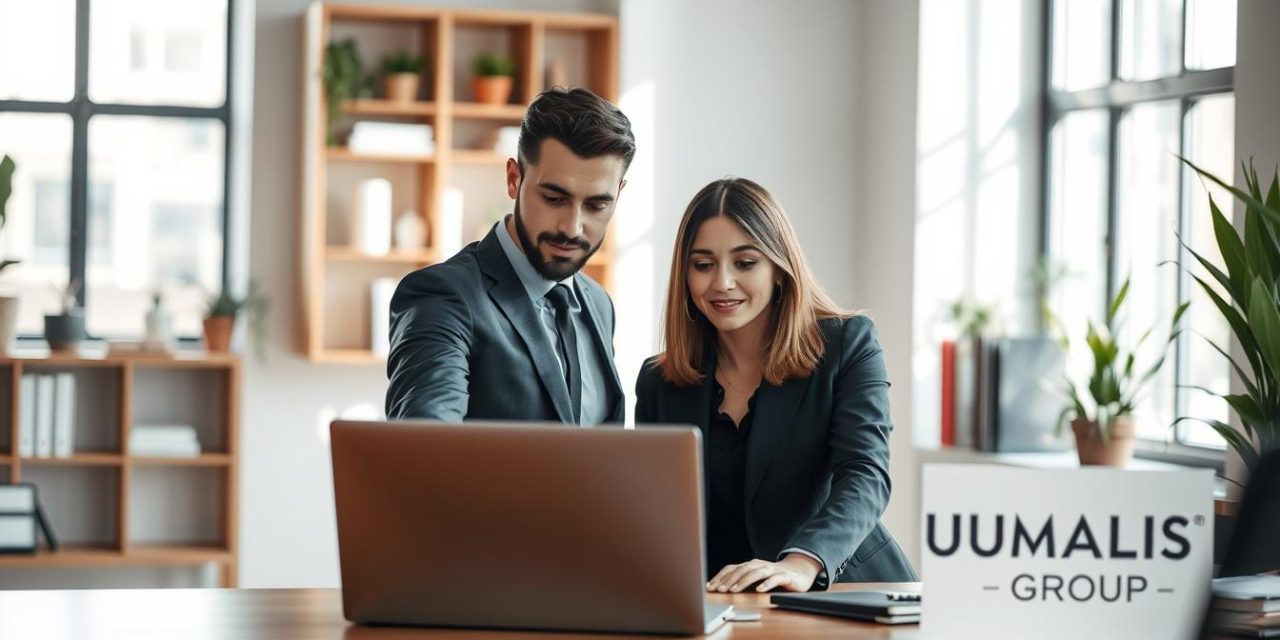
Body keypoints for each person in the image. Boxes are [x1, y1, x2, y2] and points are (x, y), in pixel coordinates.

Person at [635, 177, 917, 593]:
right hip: (726, 603)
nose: (722, 282)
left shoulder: (847, 343)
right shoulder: (661, 380)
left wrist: (802, 563)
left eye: (745, 263)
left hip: (844, 592)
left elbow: (866, 475)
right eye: (703, 264)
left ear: (779, 269)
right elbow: (656, 515)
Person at [386, 87, 634, 425]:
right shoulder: (442, 295)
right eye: (553, 198)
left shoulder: (599, 304)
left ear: (618, 194)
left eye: (596, 205)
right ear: (514, 179)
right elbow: (426, 440)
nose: (572, 227)